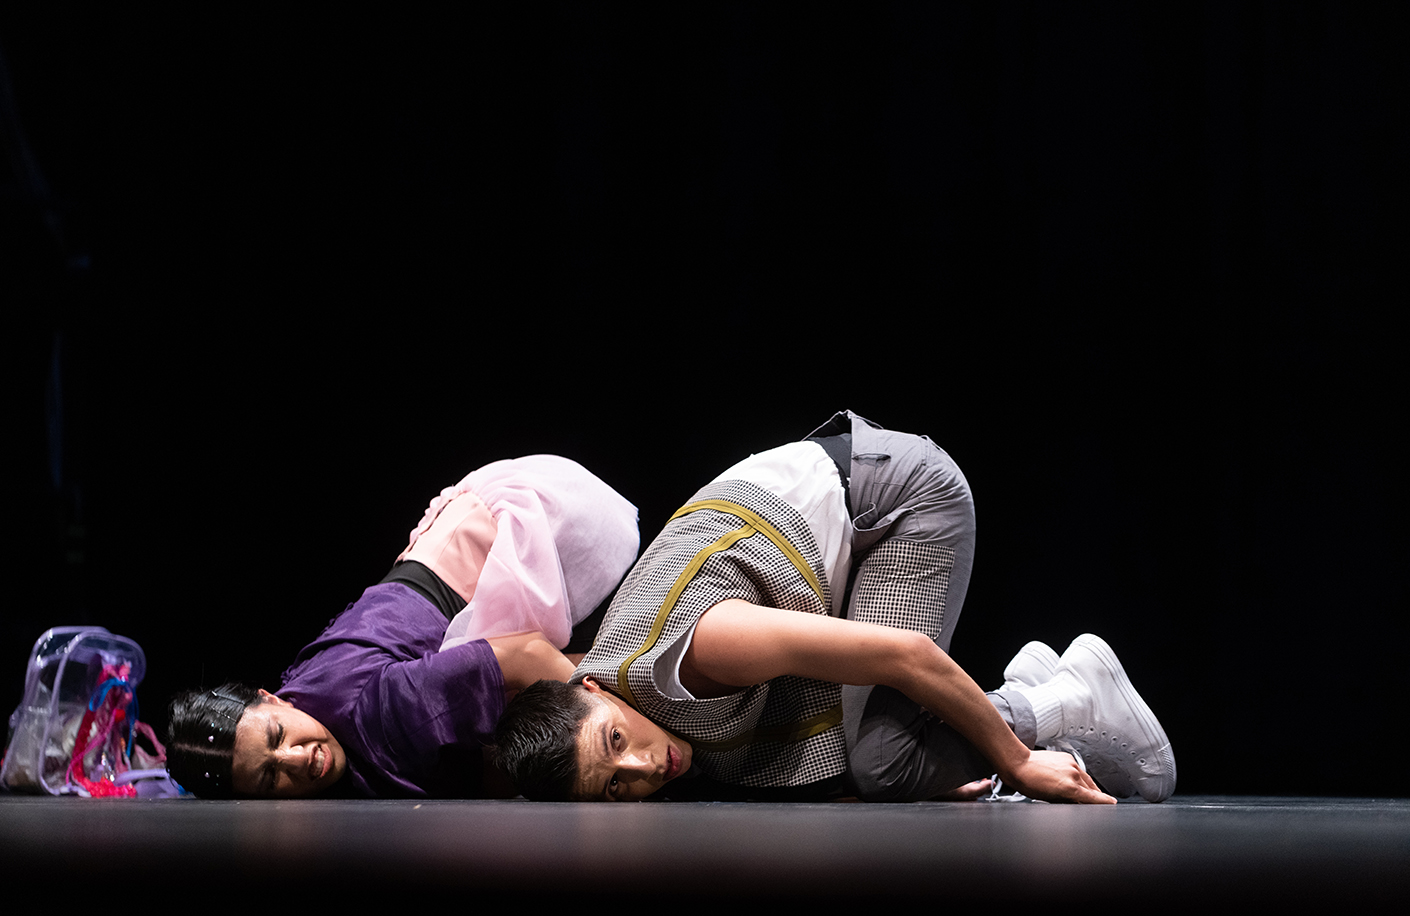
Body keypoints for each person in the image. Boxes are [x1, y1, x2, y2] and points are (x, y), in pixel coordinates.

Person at [494, 411, 1175, 804]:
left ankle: (1057, 701)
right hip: (836, 528)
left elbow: (903, 655)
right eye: (615, 789)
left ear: (592, 688)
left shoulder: (689, 654)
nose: (644, 769)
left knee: (883, 762)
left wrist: (1016, 759)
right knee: (875, 766)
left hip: (896, 499)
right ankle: (1036, 694)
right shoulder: (616, 686)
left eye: (616, 744)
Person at [166, 455, 640, 799]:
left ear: (271, 698)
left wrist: (624, 728)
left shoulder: (381, 712)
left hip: (504, 542)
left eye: (276, 736)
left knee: (600, 707)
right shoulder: (324, 718)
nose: (296, 757)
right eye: (270, 777)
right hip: (442, 571)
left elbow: (525, 654)